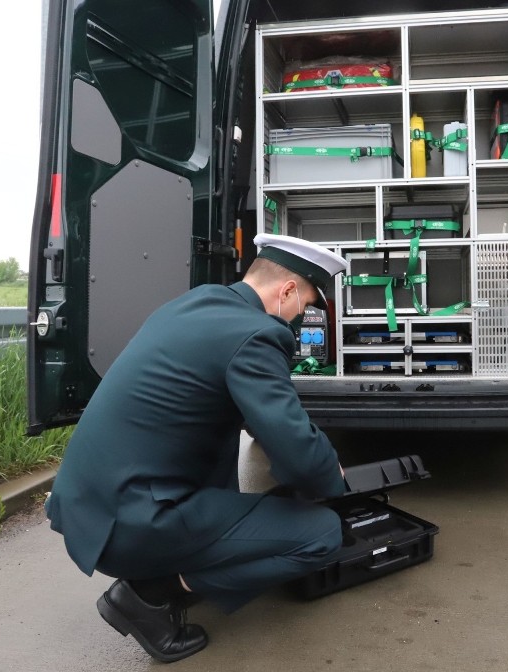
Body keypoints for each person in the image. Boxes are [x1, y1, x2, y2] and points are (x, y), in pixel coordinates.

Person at [45, 233, 349, 663]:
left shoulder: (196, 303)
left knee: (233, 463)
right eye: (306, 303)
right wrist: (329, 472)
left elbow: (240, 411)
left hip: (90, 508)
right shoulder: (259, 334)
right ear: (286, 291)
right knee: (320, 533)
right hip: (133, 524)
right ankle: (148, 595)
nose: (302, 315)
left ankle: (168, 569)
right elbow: (298, 449)